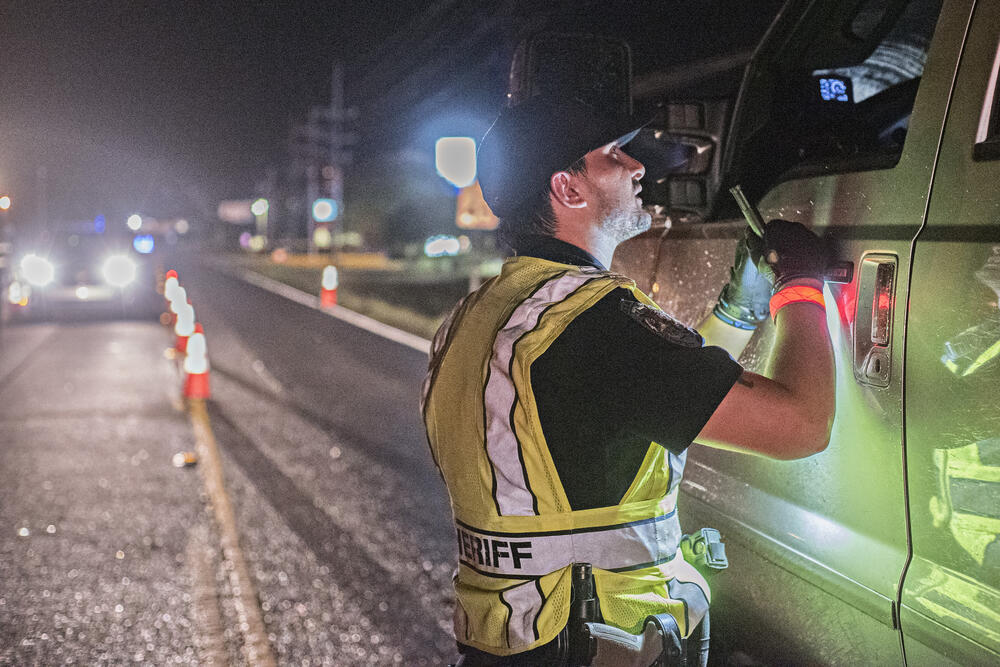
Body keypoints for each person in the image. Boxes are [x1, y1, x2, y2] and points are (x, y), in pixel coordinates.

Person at [420, 94, 835, 663]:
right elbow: (802, 424)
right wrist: (803, 285)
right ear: (568, 189)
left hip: (509, 643)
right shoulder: (592, 322)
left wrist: (738, 312)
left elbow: (641, 397)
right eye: (614, 155)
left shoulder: (477, 319)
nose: (638, 166)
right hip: (591, 643)